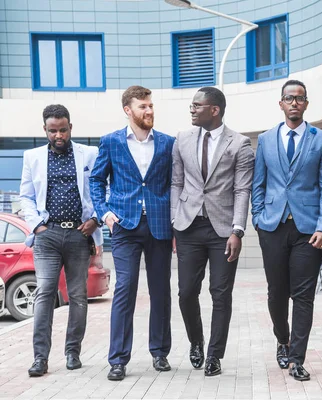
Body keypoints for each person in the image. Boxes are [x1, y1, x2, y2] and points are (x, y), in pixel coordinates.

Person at [251, 79, 322, 381]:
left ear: (306, 104)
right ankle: (283, 339)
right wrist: (258, 218)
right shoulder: (265, 139)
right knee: (277, 294)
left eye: (300, 98)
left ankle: (297, 358)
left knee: (303, 296)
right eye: (289, 98)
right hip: (272, 226)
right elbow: (258, 183)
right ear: (281, 103)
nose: (295, 103)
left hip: (308, 229)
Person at [90, 86, 175, 381]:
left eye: (151, 106)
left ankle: (160, 352)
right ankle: (118, 359)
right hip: (124, 226)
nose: (149, 111)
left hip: (159, 225)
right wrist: (105, 213)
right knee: (125, 290)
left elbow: (174, 184)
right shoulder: (111, 142)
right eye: (143, 107)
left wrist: (175, 221)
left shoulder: (167, 143)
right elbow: (96, 180)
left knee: (161, 291)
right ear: (128, 110)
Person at [171, 87, 254, 376]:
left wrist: (238, 230)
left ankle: (215, 355)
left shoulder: (240, 144)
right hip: (189, 227)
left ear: (214, 109)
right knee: (186, 293)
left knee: (220, 294)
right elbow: (176, 183)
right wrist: (174, 220)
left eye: (197, 106)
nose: (192, 110)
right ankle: (196, 342)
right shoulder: (181, 139)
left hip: (222, 231)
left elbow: (242, 189)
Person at [19, 104, 101, 377]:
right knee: (44, 293)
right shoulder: (32, 157)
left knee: (78, 296)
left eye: (63, 130)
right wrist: (37, 226)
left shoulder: (89, 154)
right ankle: (40, 358)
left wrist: (95, 220)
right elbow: (26, 196)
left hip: (79, 234)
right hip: (47, 235)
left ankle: (72, 353)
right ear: (45, 130)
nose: (58, 135)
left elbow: (103, 189)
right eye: (53, 130)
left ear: (70, 128)